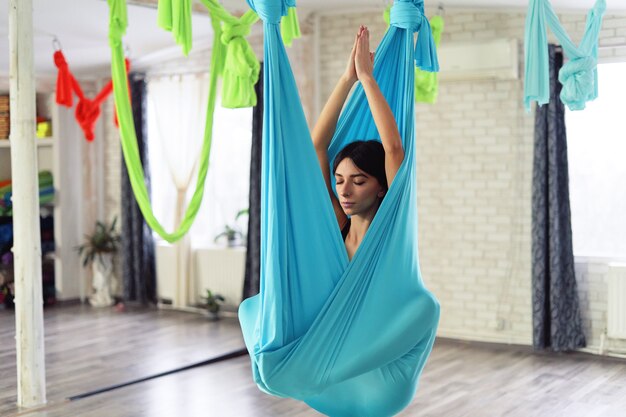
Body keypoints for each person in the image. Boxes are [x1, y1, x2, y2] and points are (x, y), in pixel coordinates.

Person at [312, 25, 404, 261]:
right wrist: (347, 79)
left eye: (359, 181)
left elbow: (393, 149)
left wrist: (366, 78)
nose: (344, 191)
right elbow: (317, 147)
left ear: (381, 188)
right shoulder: (337, 225)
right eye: (339, 180)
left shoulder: (391, 225)